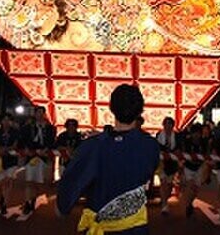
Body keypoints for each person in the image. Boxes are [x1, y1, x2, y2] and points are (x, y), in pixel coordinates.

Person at [56, 84, 160, 234]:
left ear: (111, 108)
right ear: (140, 111)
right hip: (136, 228)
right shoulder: (150, 146)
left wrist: (63, 206)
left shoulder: (92, 147)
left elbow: (70, 187)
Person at [18, 106, 56, 215]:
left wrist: (45, 150)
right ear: (34, 114)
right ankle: (27, 203)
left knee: (38, 182)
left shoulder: (50, 128)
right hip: (31, 156)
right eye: (37, 112)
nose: (39, 115)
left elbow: (52, 142)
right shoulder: (28, 128)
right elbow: (23, 140)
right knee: (29, 181)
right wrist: (28, 150)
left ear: (44, 114)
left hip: (43, 157)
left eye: (41, 113)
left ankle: (33, 199)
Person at [0, 113, 20, 215]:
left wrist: (7, 149)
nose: (6, 122)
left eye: (8, 120)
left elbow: (16, 144)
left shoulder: (15, 132)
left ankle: (4, 204)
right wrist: (0, 149)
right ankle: (3, 197)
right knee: (0, 182)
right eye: (4, 120)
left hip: (11, 159)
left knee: (9, 181)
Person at [179, 123, 209, 218]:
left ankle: (190, 203)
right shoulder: (186, 142)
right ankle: (188, 206)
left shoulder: (204, 142)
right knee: (190, 185)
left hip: (199, 167)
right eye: (194, 133)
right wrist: (181, 168)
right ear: (191, 134)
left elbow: (207, 155)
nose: (196, 135)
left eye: (198, 133)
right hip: (188, 166)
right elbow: (182, 154)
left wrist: (207, 170)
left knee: (196, 189)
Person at [155, 117, 179, 215]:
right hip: (162, 162)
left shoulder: (177, 136)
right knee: (163, 183)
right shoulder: (159, 135)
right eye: (166, 124)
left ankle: (165, 199)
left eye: (170, 124)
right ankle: (164, 205)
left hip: (172, 163)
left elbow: (178, 148)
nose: (168, 126)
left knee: (169, 185)